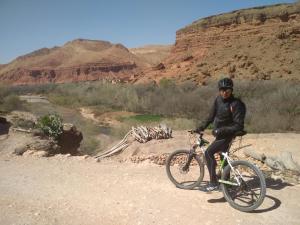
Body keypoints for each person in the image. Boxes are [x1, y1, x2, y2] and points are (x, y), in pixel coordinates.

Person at [194, 77, 246, 192]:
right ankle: (226, 185)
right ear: (219, 90)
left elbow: (239, 126)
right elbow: (211, 116)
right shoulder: (218, 100)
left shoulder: (236, 104)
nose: (224, 92)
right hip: (220, 135)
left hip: (227, 135)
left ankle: (213, 183)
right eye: (222, 89)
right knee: (223, 156)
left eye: (227, 90)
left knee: (208, 153)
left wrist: (221, 131)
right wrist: (201, 127)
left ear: (231, 90)